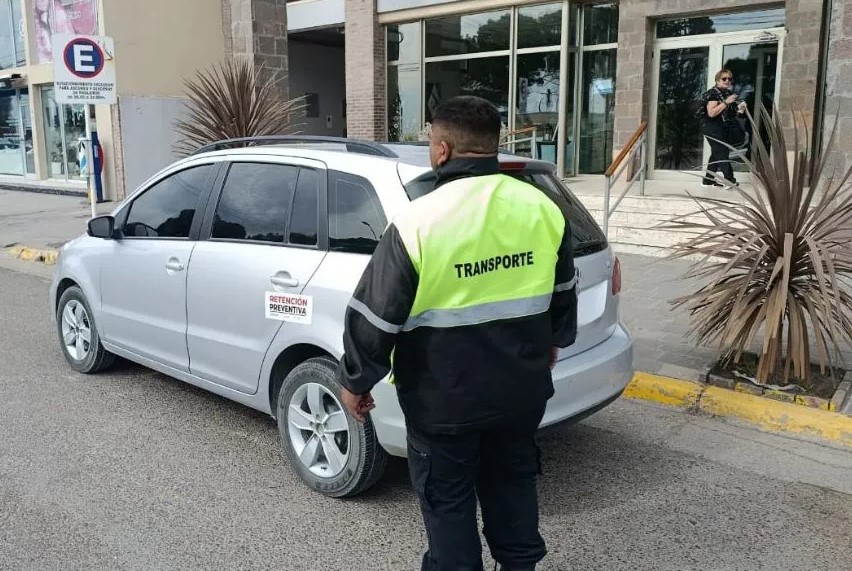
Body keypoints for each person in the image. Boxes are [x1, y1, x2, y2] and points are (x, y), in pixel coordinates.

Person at [335, 95, 578, 571]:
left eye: (429, 140)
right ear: (494, 145)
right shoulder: (542, 207)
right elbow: (563, 291)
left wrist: (354, 382)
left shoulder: (418, 219)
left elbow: (376, 315)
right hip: (519, 395)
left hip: (443, 403)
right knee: (514, 492)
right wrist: (550, 345)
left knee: (448, 508)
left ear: (442, 149)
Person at [700, 69, 747, 187]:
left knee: (717, 152)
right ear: (717, 80)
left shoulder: (726, 93)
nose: (727, 81)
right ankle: (730, 181)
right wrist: (726, 102)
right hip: (711, 127)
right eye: (724, 79)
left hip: (721, 127)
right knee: (722, 152)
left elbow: (729, 113)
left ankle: (708, 180)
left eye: (729, 79)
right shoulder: (713, 93)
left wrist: (740, 109)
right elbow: (711, 113)